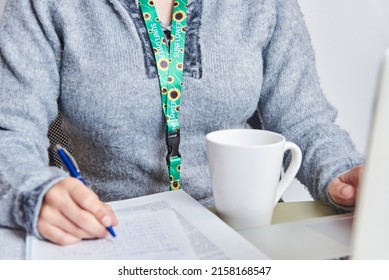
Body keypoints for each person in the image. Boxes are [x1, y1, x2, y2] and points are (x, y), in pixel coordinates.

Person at [0, 0, 364, 246]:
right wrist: (34, 191)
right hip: (106, 234)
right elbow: (10, 130)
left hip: (244, 238)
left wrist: (343, 175)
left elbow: (305, 119)